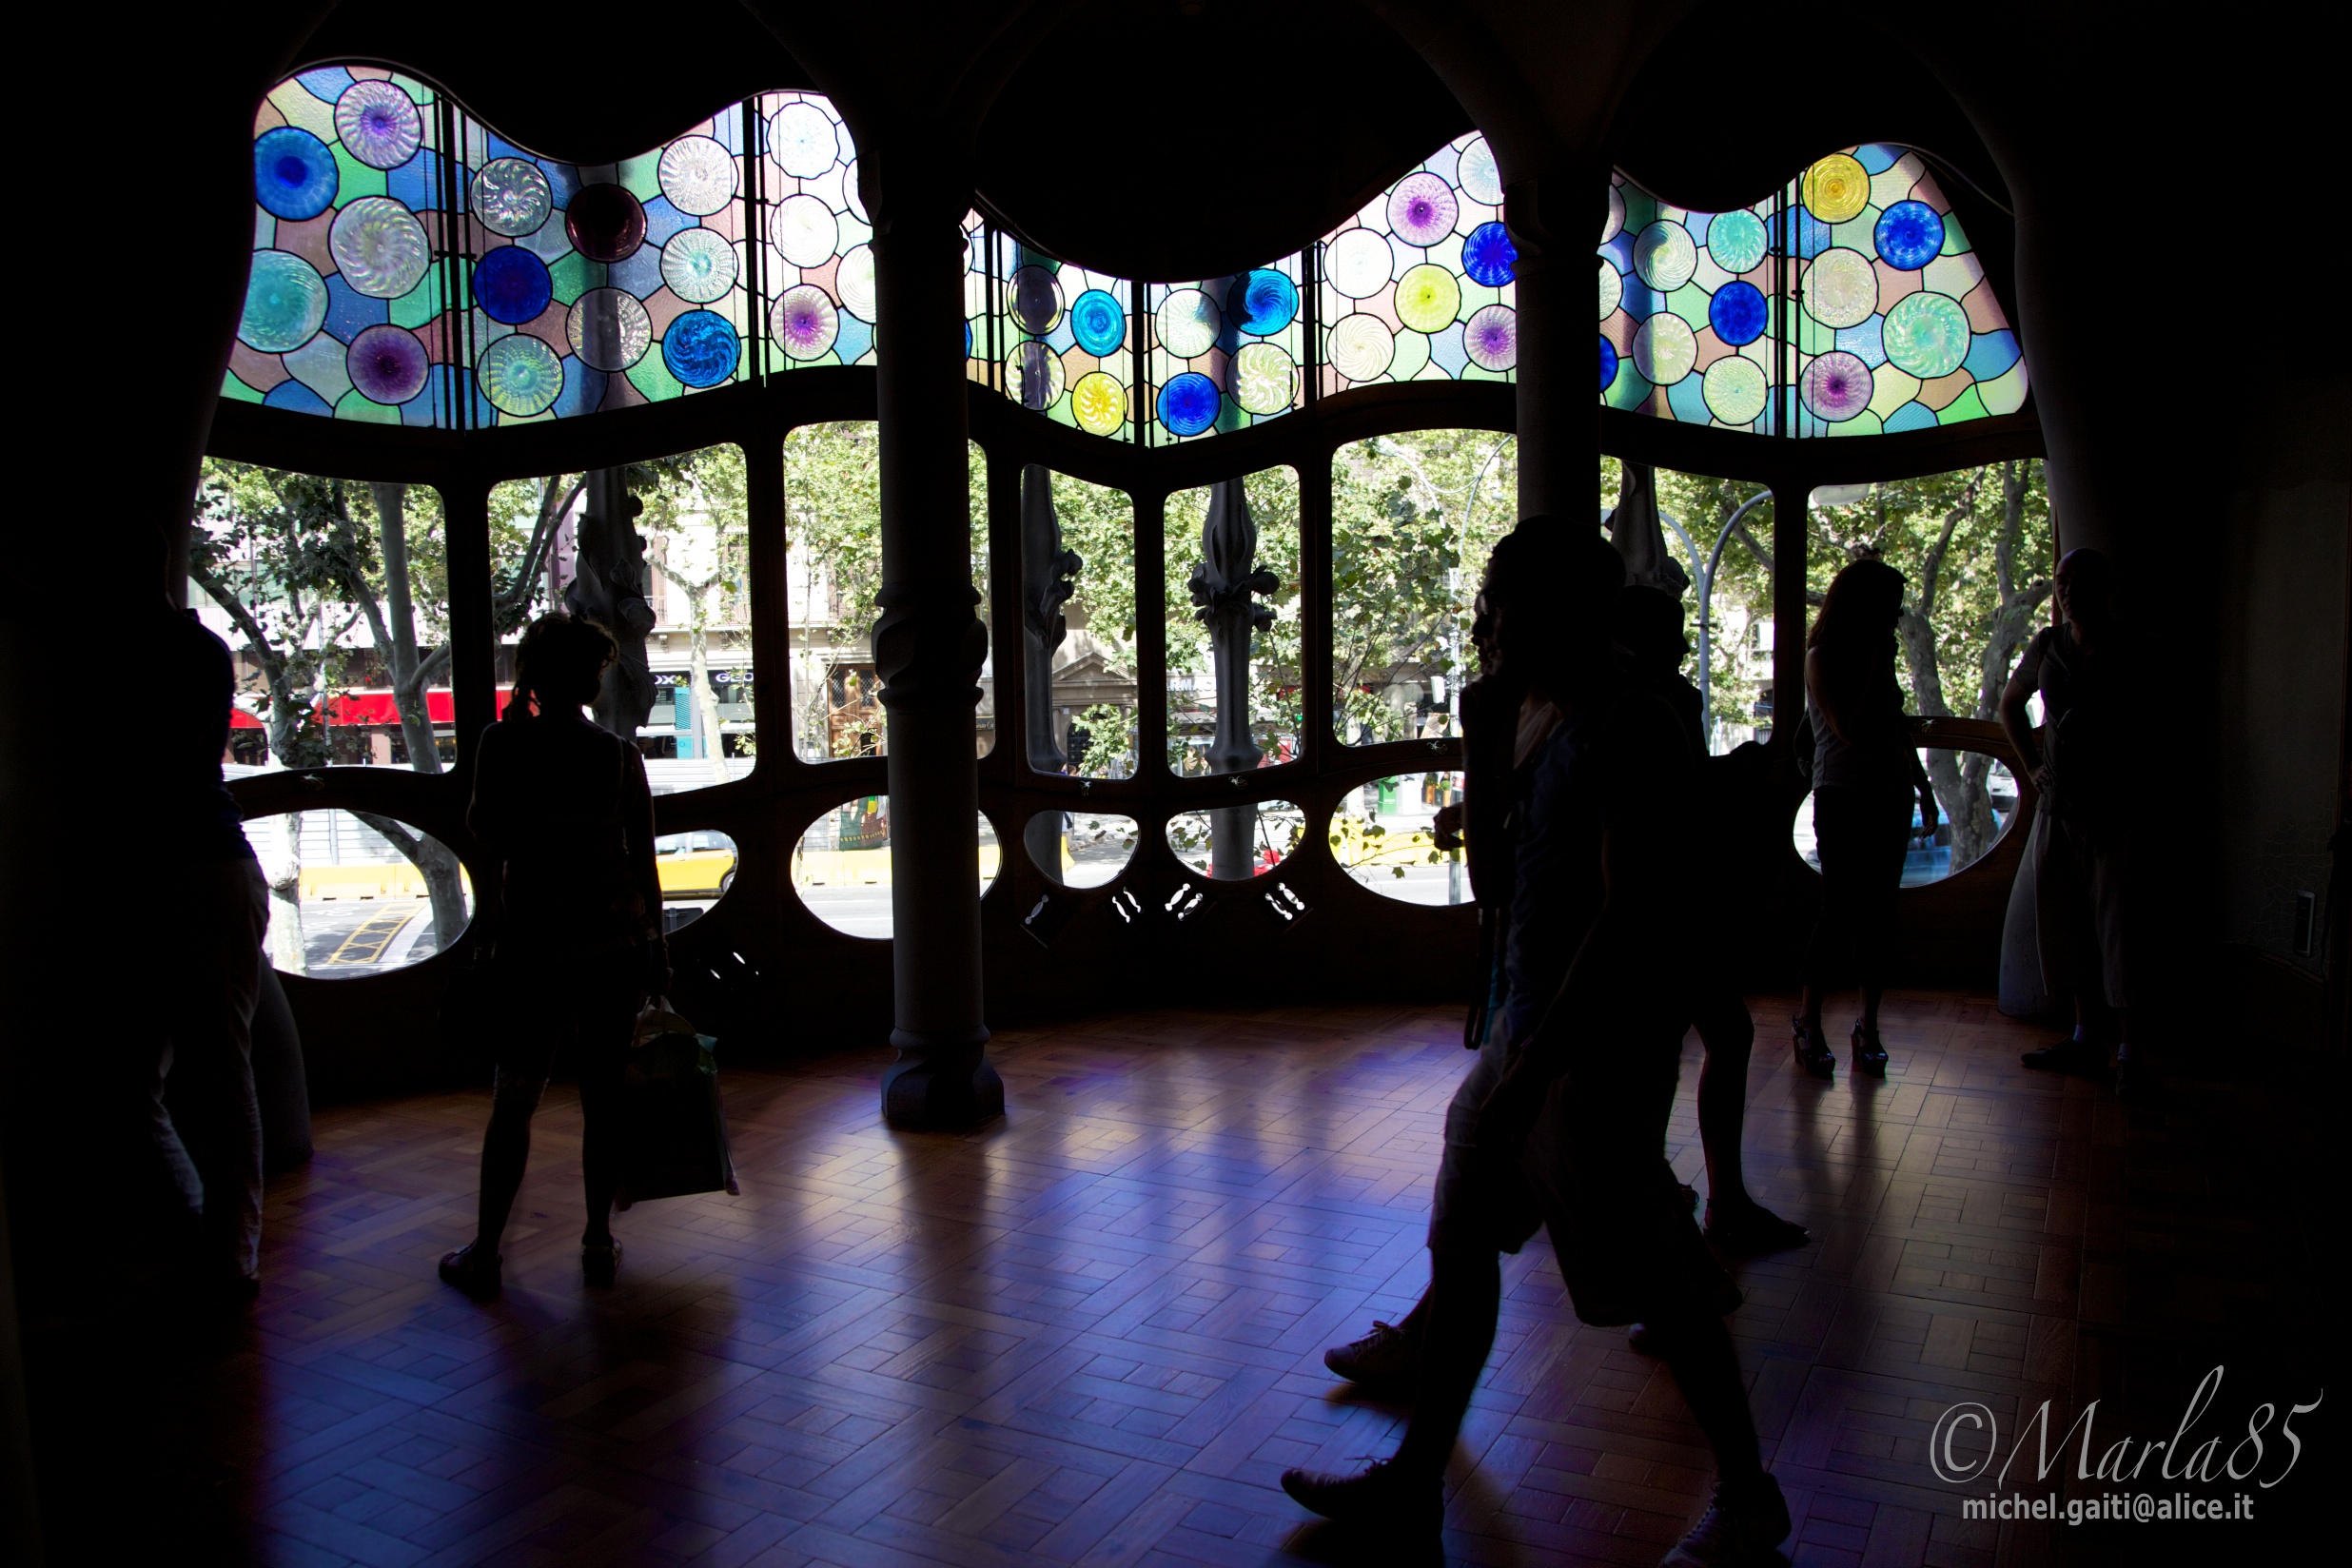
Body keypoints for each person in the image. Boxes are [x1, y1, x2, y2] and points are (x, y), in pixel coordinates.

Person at [1284, 525, 1790, 1568]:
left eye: (1508, 601)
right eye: (1492, 600)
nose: (1491, 621)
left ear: (1569, 611)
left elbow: (1629, 912)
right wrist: (1482, 741)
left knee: (1658, 1272)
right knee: (1462, 1246)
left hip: (1591, 1049)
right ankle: (1417, 1484)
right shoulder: (1543, 717)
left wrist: (1539, 1063)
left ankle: (1749, 1493)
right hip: (1525, 1035)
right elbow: (1501, 887)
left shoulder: (1634, 724)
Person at [439, 613, 669, 1300]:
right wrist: (658, 948)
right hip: (616, 944)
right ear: (589, 679)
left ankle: (485, 1250)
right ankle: (598, 1237)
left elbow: (487, 831)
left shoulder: (503, 745)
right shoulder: (617, 756)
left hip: (535, 945)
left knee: (515, 1098)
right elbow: (644, 860)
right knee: (603, 1095)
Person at [1613, 586, 1808, 1256]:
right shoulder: (1659, 701)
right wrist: (1741, 773)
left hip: (1660, 905)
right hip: (1671, 905)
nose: (1684, 645)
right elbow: (1680, 797)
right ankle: (1695, 1209)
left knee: (1687, 1046)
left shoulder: (1625, 698)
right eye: (1674, 632)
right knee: (1706, 1040)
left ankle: (1685, 1206)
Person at [134, 597, 272, 1303]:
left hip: (190, 868)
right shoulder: (201, 652)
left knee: (193, 1071)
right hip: (210, 864)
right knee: (216, 1065)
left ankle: (223, 1251)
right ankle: (222, 1248)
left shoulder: (164, 653)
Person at [2001, 548, 2139, 1098]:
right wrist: (2033, 766)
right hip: (2059, 810)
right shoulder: (2047, 645)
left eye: (2080, 582)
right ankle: (2085, 1036)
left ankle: (2130, 1050)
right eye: (2062, 580)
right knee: (2067, 925)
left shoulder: (2131, 649)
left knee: (2121, 930)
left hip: (2116, 812)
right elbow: (2012, 703)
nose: (2068, 591)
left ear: (2108, 589)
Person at [1792, 559, 1937, 1078]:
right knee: (1839, 911)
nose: (1893, 620)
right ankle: (1808, 1021)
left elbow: (1894, 727)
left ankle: (1866, 1025)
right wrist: (1876, 663)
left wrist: (1921, 786)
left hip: (1889, 794)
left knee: (1879, 916)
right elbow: (1850, 729)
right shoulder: (1822, 657)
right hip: (1844, 794)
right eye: (1888, 608)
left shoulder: (1876, 656)